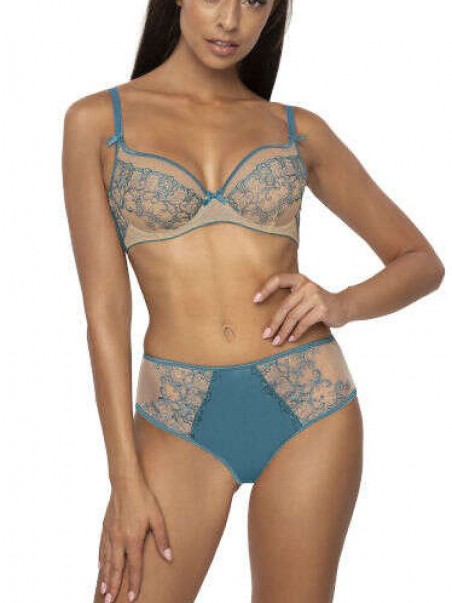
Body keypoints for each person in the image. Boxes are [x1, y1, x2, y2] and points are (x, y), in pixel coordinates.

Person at [62, 1, 445, 602]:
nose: (232, 21)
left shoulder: (296, 129)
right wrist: (124, 482)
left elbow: (420, 261)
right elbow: (105, 315)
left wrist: (341, 304)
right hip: (178, 417)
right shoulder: (96, 122)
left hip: (309, 406)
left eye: (256, 1)